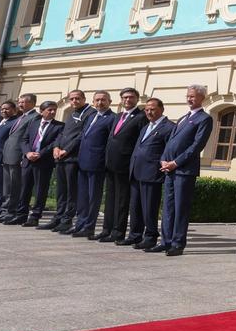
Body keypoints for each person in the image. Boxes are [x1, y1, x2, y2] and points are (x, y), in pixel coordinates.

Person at [155, 85, 213, 256]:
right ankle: (166, 241)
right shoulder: (183, 117)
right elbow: (170, 142)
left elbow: (196, 146)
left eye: (193, 96)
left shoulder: (204, 119)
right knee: (168, 208)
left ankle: (178, 243)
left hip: (184, 171)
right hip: (169, 170)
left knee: (181, 208)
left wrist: (176, 162)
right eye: (188, 96)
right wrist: (164, 159)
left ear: (202, 98)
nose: (189, 99)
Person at [44, 90, 96, 233]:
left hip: (73, 158)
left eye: (77, 98)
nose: (74, 101)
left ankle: (67, 219)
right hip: (61, 157)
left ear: (84, 99)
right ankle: (58, 217)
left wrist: (66, 150)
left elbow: (81, 135)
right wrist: (56, 147)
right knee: (61, 191)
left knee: (71, 192)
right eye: (72, 99)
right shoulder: (72, 113)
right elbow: (63, 132)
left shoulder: (90, 113)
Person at [101, 88, 147, 243]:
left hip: (125, 165)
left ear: (137, 99)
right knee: (110, 199)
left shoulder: (141, 117)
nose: (127, 100)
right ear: (121, 99)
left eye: (131, 97)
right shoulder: (119, 115)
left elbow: (140, 143)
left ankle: (118, 231)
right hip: (111, 163)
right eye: (125, 97)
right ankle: (106, 229)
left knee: (121, 201)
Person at [128, 97, 173, 249]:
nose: (149, 112)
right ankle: (135, 235)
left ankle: (151, 236)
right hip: (136, 171)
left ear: (161, 109)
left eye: (152, 109)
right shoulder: (146, 126)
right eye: (146, 109)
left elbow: (168, 151)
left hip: (152, 173)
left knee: (149, 208)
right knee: (135, 207)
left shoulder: (169, 127)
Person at [71, 90, 116, 239]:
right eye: (97, 100)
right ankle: (80, 224)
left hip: (97, 163)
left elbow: (110, 144)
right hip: (83, 161)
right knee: (82, 196)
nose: (99, 103)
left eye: (103, 100)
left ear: (110, 101)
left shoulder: (112, 118)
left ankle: (89, 227)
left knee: (93, 197)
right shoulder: (91, 117)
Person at [20, 100, 64, 227]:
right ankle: (21, 214)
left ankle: (35, 216)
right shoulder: (33, 123)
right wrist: (28, 153)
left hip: (43, 161)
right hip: (28, 160)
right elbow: (24, 139)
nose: (53, 112)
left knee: (40, 190)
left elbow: (56, 142)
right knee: (25, 188)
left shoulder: (59, 126)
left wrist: (41, 153)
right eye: (49, 110)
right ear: (41, 111)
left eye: (54, 110)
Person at [0, 94, 37, 225]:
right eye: (19, 102)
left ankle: (11, 211)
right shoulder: (21, 117)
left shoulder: (34, 117)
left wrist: (23, 156)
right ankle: (5, 210)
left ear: (32, 103)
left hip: (17, 157)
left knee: (15, 187)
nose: (20, 105)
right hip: (8, 155)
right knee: (7, 187)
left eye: (23, 102)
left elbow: (29, 139)